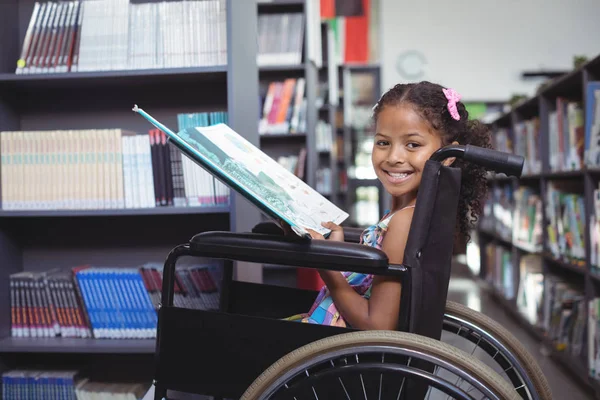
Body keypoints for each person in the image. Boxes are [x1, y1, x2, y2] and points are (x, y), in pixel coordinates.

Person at [284, 81, 492, 330]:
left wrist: (324, 264)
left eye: (412, 145)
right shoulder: (407, 213)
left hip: (336, 349)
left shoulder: (404, 222)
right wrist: (338, 252)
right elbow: (368, 286)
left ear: (448, 156)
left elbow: (377, 324)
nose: (393, 158)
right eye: (383, 143)